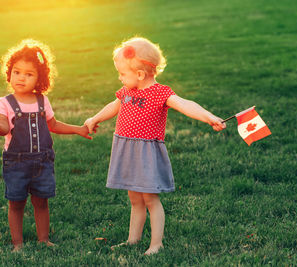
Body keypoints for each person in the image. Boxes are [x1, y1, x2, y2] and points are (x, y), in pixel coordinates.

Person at [84, 37, 226, 255]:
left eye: (122, 73)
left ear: (140, 74)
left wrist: (209, 117)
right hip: (127, 149)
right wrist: (95, 119)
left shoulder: (161, 93)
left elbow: (185, 104)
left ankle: (156, 243)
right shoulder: (127, 92)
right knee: (134, 198)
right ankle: (133, 239)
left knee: (150, 198)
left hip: (146, 153)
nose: (119, 77)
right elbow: (114, 106)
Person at [0, 39, 92, 251]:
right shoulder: (5, 102)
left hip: (42, 162)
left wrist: (78, 128)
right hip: (16, 164)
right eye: (17, 72)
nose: (21, 78)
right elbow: (3, 127)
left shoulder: (42, 101)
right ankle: (17, 243)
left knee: (41, 202)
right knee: (16, 203)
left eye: (29, 74)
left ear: (39, 78)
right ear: (9, 73)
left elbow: (53, 125)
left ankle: (44, 239)